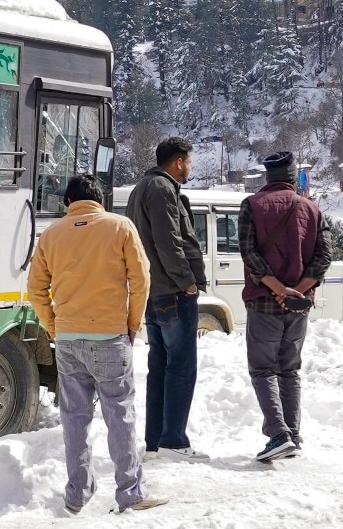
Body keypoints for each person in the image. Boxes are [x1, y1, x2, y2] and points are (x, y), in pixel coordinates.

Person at [27, 174, 169, 513]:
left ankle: (76, 492)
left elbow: (35, 289)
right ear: (100, 200)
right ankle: (130, 494)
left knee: (74, 417)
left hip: (68, 339)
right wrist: (132, 325)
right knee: (119, 413)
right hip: (110, 336)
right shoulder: (119, 227)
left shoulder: (51, 235)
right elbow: (141, 279)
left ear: (67, 203)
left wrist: (54, 327)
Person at [239, 152, 333, 461]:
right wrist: (296, 291)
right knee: (290, 370)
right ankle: (293, 435)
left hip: (263, 302)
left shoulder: (251, 206)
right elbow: (324, 258)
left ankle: (279, 435)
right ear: (293, 178)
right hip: (298, 306)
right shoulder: (312, 209)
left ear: (267, 177)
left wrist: (278, 288)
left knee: (263, 369)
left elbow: (249, 253)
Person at [125, 137, 209, 462]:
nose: (190, 167)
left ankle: (155, 444)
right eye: (189, 162)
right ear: (178, 162)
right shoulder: (162, 189)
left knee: (159, 367)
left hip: (149, 292)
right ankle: (173, 440)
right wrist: (187, 282)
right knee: (181, 367)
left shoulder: (139, 189)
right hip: (171, 292)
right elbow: (168, 242)